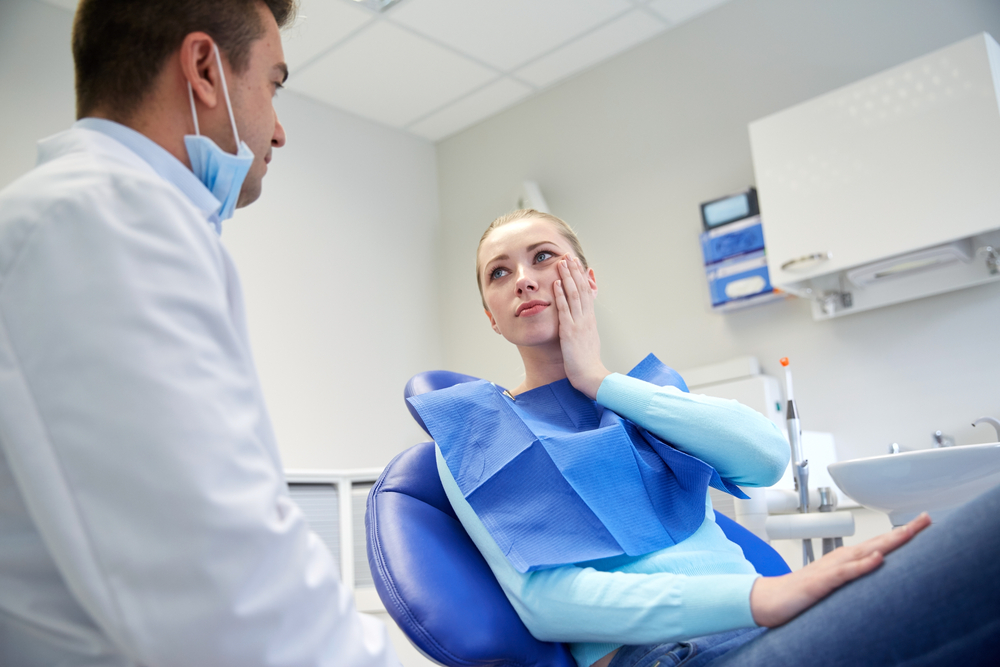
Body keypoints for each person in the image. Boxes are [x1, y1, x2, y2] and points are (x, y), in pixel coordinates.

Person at [409, 208, 1000, 667]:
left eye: (543, 257)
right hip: (680, 652)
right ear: (491, 311)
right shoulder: (477, 435)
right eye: (500, 273)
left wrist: (599, 380)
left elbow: (765, 458)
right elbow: (546, 602)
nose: (524, 280)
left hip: (761, 626)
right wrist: (759, 598)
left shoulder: (641, 401)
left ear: (588, 280)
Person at [0, 1, 398, 665]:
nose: (278, 131)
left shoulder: (94, 216)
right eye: (273, 84)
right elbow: (230, 600)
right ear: (205, 70)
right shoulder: (104, 218)